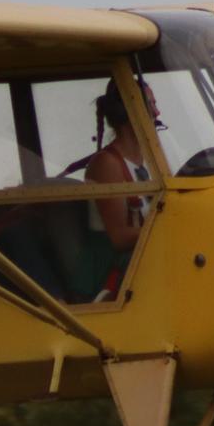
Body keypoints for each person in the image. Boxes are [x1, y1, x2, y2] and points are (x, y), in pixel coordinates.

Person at [79, 78, 159, 299]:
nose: (158, 112)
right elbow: (119, 237)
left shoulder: (153, 158)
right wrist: (170, 226)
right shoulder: (107, 164)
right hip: (114, 266)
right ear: (129, 112)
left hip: (145, 252)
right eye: (151, 105)